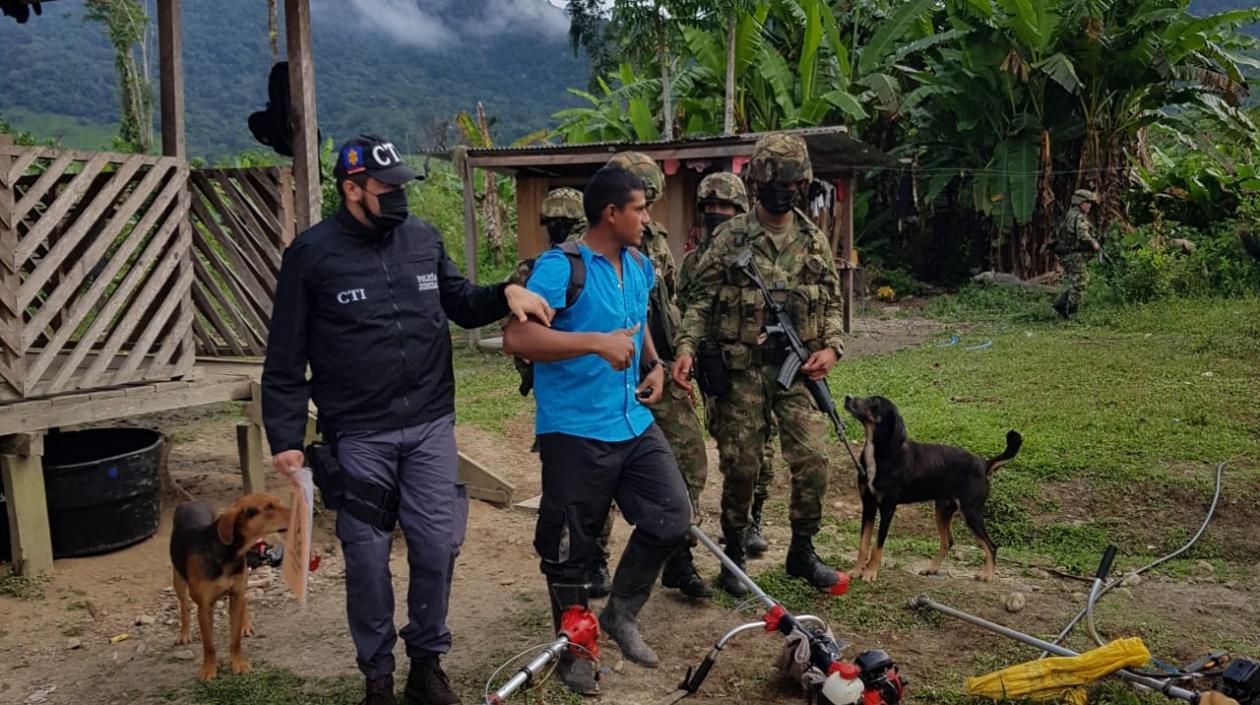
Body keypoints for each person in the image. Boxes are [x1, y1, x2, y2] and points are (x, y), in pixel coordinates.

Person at [262, 134, 552, 705]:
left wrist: (506, 293)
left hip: (428, 424)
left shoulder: (422, 239)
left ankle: (426, 664)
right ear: (351, 190)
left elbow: (461, 300)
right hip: (359, 433)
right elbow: (285, 356)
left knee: (437, 544)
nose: (398, 197)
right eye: (385, 188)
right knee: (368, 559)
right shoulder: (312, 255)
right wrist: (286, 437)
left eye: (401, 186)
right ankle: (378, 678)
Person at [502, 165, 691, 694]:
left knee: (671, 516)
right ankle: (575, 649)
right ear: (611, 213)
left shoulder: (639, 263)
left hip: (630, 421)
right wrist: (594, 342)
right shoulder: (561, 268)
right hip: (574, 429)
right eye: (641, 208)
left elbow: (638, 323)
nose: (648, 217)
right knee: (570, 548)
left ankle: (621, 613)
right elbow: (519, 338)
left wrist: (653, 363)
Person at [671, 133, 845, 597]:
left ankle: (803, 551)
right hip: (742, 371)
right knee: (743, 465)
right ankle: (734, 554)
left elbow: (831, 303)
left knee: (813, 458)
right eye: (772, 180)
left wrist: (831, 348)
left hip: (796, 369)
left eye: (789, 182)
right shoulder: (731, 237)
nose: (781, 189)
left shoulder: (813, 240)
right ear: (756, 182)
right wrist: (686, 346)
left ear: (802, 184)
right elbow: (701, 300)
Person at [680, 172, 774, 559]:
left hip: (759, 363)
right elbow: (687, 311)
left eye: (727, 207)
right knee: (733, 447)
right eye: (711, 207)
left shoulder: (756, 255)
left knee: (763, 444)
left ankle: (754, 518)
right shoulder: (691, 263)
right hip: (716, 366)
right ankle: (730, 526)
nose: (717, 214)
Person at [1053, 189, 1101, 319]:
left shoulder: (1070, 214)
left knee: (1077, 282)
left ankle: (1061, 305)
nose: (1089, 205)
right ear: (1079, 202)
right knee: (1080, 282)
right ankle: (1070, 313)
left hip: (1067, 254)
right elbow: (1083, 236)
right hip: (1073, 254)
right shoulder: (1079, 217)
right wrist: (1094, 243)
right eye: (1087, 202)